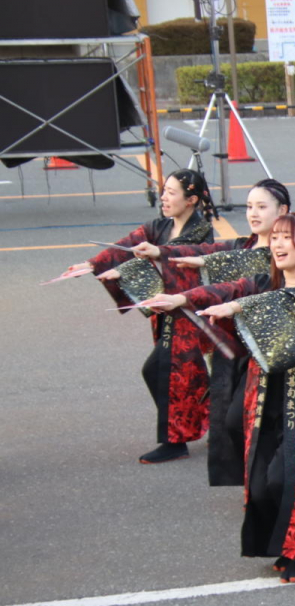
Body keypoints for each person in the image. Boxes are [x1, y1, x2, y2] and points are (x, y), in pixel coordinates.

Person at [147, 212, 295, 582]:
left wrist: (240, 307)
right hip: (265, 390)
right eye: (277, 238)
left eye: (289, 237)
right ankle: (283, 544)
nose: (280, 244)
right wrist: (181, 298)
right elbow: (227, 289)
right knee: (260, 480)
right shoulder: (262, 282)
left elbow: (285, 302)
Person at [131, 178, 292, 485]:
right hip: (235, 345)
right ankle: (262, 482)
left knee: (253, 419)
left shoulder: (279, 251)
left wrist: (184, 293)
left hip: (268, 351)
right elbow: (216, 250)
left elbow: (233, 272)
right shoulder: (247, 242)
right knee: (234, 418)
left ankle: (281, 479)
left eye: (262, 207)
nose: (253, 213)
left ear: (281, 210)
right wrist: (161, 254)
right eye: (249, 207)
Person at [66, 169, 216, 464]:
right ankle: (218, 415)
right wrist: (91, 264)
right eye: (164, 191)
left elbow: (170, 255)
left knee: (167, 373)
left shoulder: (200, 231)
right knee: (172, 373)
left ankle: (175, 441)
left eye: (172, 193)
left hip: (188, 314)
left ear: (191, 200)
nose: (164, 197)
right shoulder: (160, 225)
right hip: (167, 314)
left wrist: (123, 271)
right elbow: (129, 244)